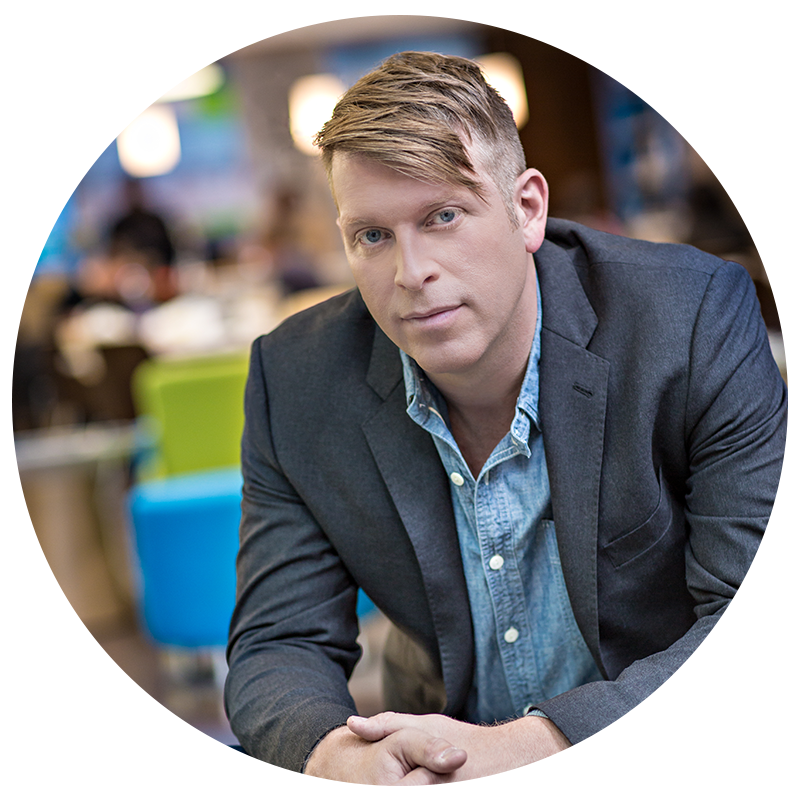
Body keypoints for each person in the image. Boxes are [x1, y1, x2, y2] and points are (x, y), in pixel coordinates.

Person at [224, 52, 786, 783]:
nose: (410, 273)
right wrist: (340, 760)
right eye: (372, 235)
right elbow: (279, 641)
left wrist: (527, 746)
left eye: (443, 217)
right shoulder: (295, 378)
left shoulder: (690, 319)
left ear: (527, 209)